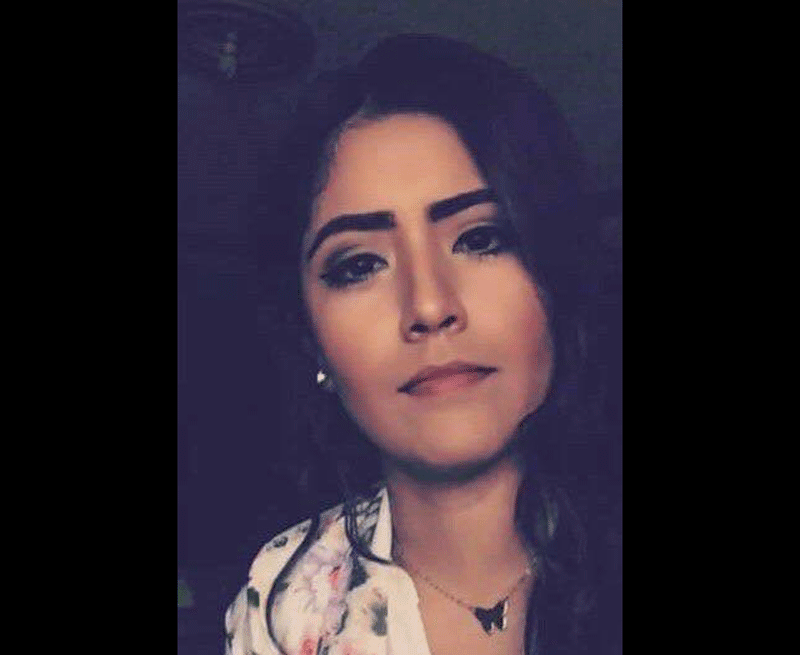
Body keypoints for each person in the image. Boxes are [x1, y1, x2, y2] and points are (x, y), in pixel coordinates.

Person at [225, 33, 619, 655]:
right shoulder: (285, 602)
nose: (430, 306)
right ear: (311, 339)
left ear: (556, 278)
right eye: (359, 266)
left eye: (481, 239)